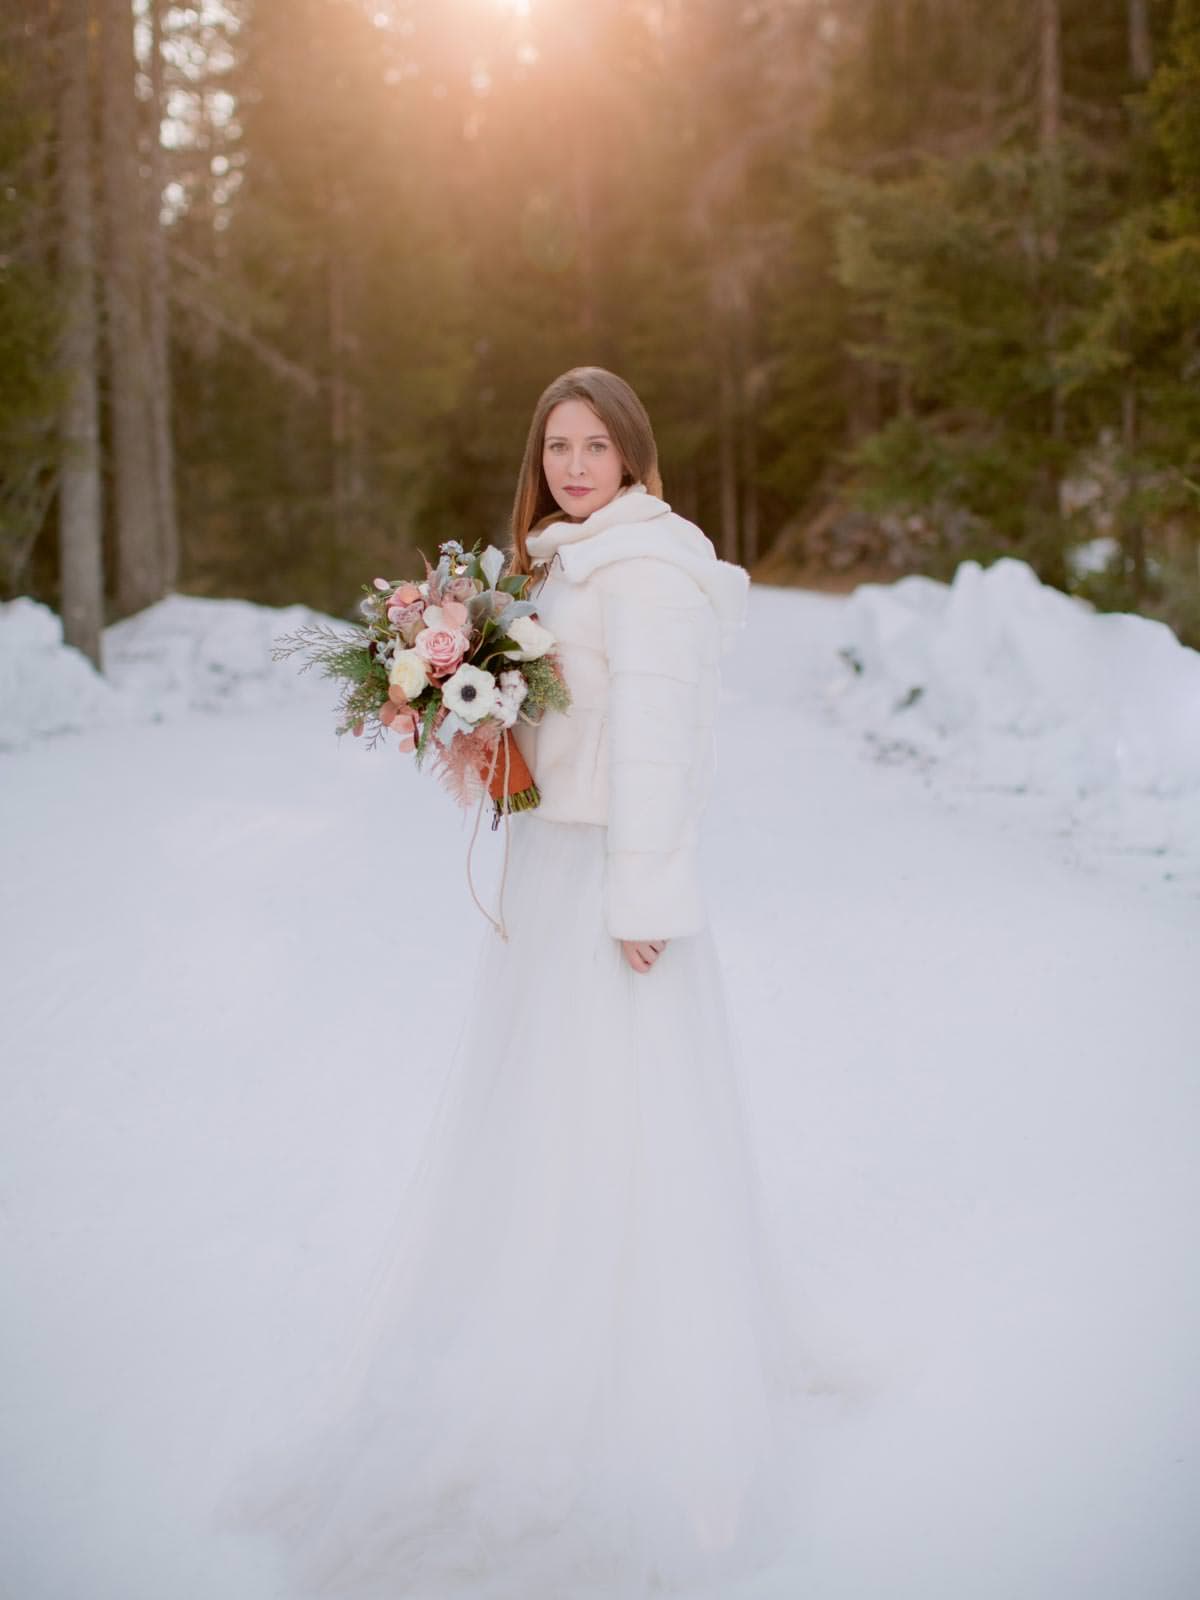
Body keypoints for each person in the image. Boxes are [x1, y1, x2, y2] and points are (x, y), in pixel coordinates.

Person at [220, 367, 815, 1598]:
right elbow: (565, 708)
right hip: (551, 867)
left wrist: (646, 897)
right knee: (538, 1107)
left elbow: (661, 740)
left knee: (620, 1110)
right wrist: (476, 718)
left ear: (637, 455)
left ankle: (623, 1366)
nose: (575, 464)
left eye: (597, 444)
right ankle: (522, 1323)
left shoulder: (646, 567)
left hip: (611, 880)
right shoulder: (560, 560)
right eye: (557, 446)